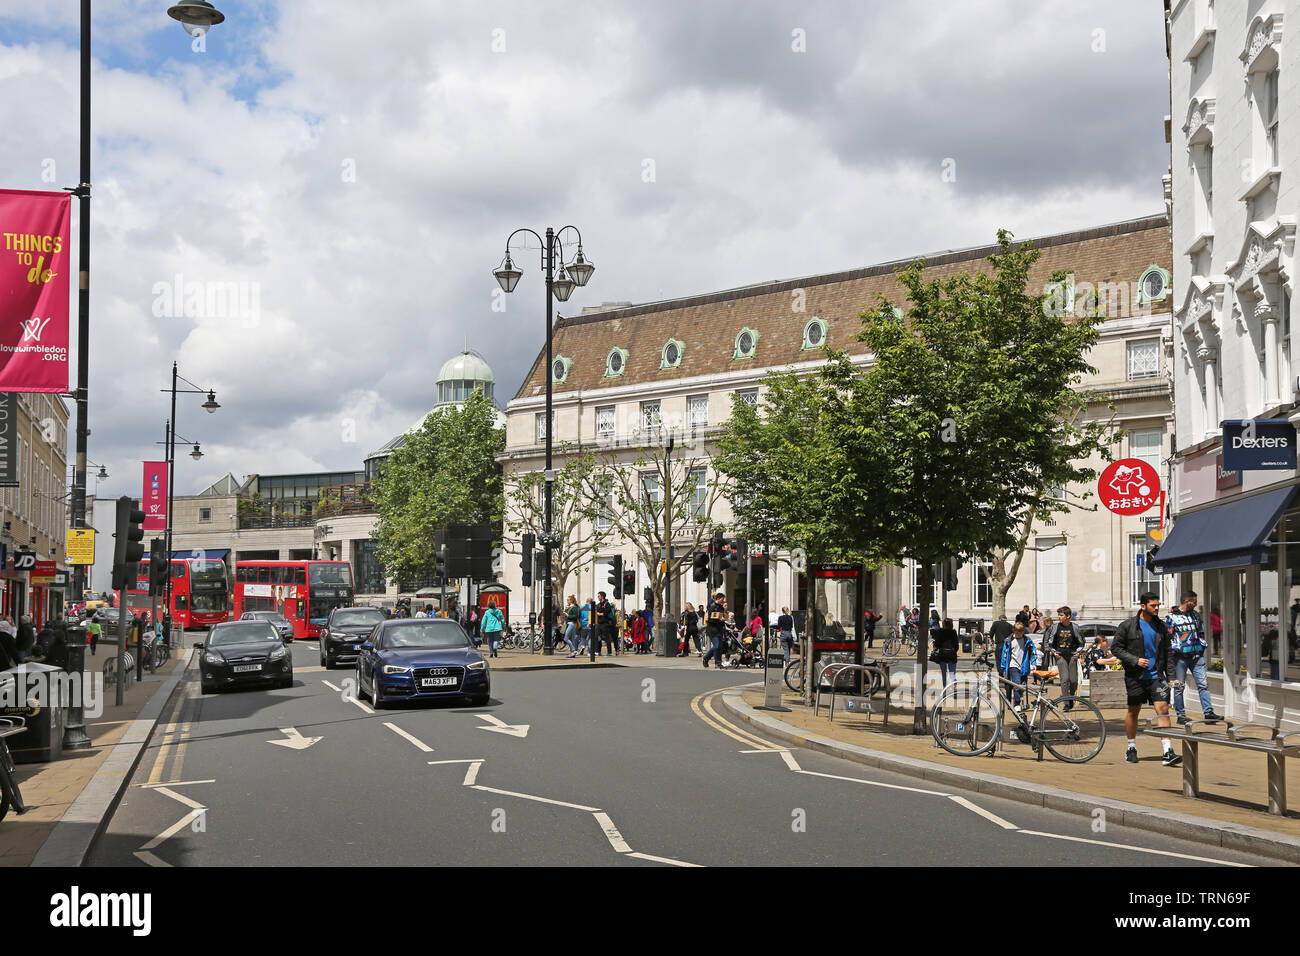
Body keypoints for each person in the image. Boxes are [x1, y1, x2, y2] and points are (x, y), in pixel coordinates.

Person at [1112, 592, 1181, 766]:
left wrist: (1171, 677)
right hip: (1135, 676)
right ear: (1143, 606)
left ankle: (1167, 751)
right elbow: (1116, 648)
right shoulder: (1128, 626)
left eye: (1158, 605)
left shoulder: (1162, 627)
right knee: (1133, 712)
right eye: (1153, 605)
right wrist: (1135, 660)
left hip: (1157, 676)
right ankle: (1131, 747)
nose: (1157, 608)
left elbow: (1168, 654)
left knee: (1163, 709)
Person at [1165, 590, 1220, 724]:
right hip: (1180, 658)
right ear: (1186, 601)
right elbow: (1168, 637)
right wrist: (1173, 653)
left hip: (1196, 657)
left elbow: (1200, 632)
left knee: (1203, 685)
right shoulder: (1171, 617)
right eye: (1194, 602)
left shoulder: (1195, 615)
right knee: (1179, 687)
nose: (1195, 604)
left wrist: (1201, 647)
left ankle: (1208, 713)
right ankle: (1181, 715)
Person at [1042, 606, 1084, 706]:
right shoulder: (1055, 627)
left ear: (1068, 616)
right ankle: (1066, 703)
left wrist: (1077, 653)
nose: (1059, 617)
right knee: (1064, 680)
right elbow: (1049, 642)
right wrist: (1055, 652)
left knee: (1073, 681)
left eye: (1061, 615)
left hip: (1072, 656)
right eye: (1059, 615)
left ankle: (1071, 697)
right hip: (1060, 656)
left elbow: (1081, 642)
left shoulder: (1075, 627)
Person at [998, 622, 1036, 709]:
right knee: (1017, 684)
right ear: (1014, 631)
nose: (1018, 635)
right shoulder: (1009, 641)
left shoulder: (1027, 640)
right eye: (1016, 633)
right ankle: (1017, 704)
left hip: (1024, 666)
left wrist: (1033, 663)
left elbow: (1033, 652)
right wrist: (1003, 667)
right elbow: (1004, 654)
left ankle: (1017, 700)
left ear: (1023, 632)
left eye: (1020, 633)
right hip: (1013, 666)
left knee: (1021, 686)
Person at [932, 618, 960, 687]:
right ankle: (953, 682)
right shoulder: (953, 632)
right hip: (951, 654)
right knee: (952, 673)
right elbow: (956, 645)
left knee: (943, 673)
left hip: (942, 654)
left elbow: (936, 643)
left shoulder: (940, 631)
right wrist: (954, 651)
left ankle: (944, 687)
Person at [703, 591, 727, 668]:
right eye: (722, 599)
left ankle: (718, 663)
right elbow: (709, 619)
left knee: (720, 647)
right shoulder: (712, 607)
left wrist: (723, 620)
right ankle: (706, 658)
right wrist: (719, 619)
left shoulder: (721, 607)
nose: (723, 601)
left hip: (719, 629)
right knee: (716, 646)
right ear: (718, 599)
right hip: (713, 629)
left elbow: (722, 617)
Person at [594, 592, 615, 657]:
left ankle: (609, 652)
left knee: (606, 638)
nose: (598, 597)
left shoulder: (607, 604)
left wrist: (600, 614)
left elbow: (607, 612)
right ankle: (598, 651)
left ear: (602, 596)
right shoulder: (599, 604)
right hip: (599, 623)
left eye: (599, 596)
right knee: (597, 637)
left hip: (605, 623)